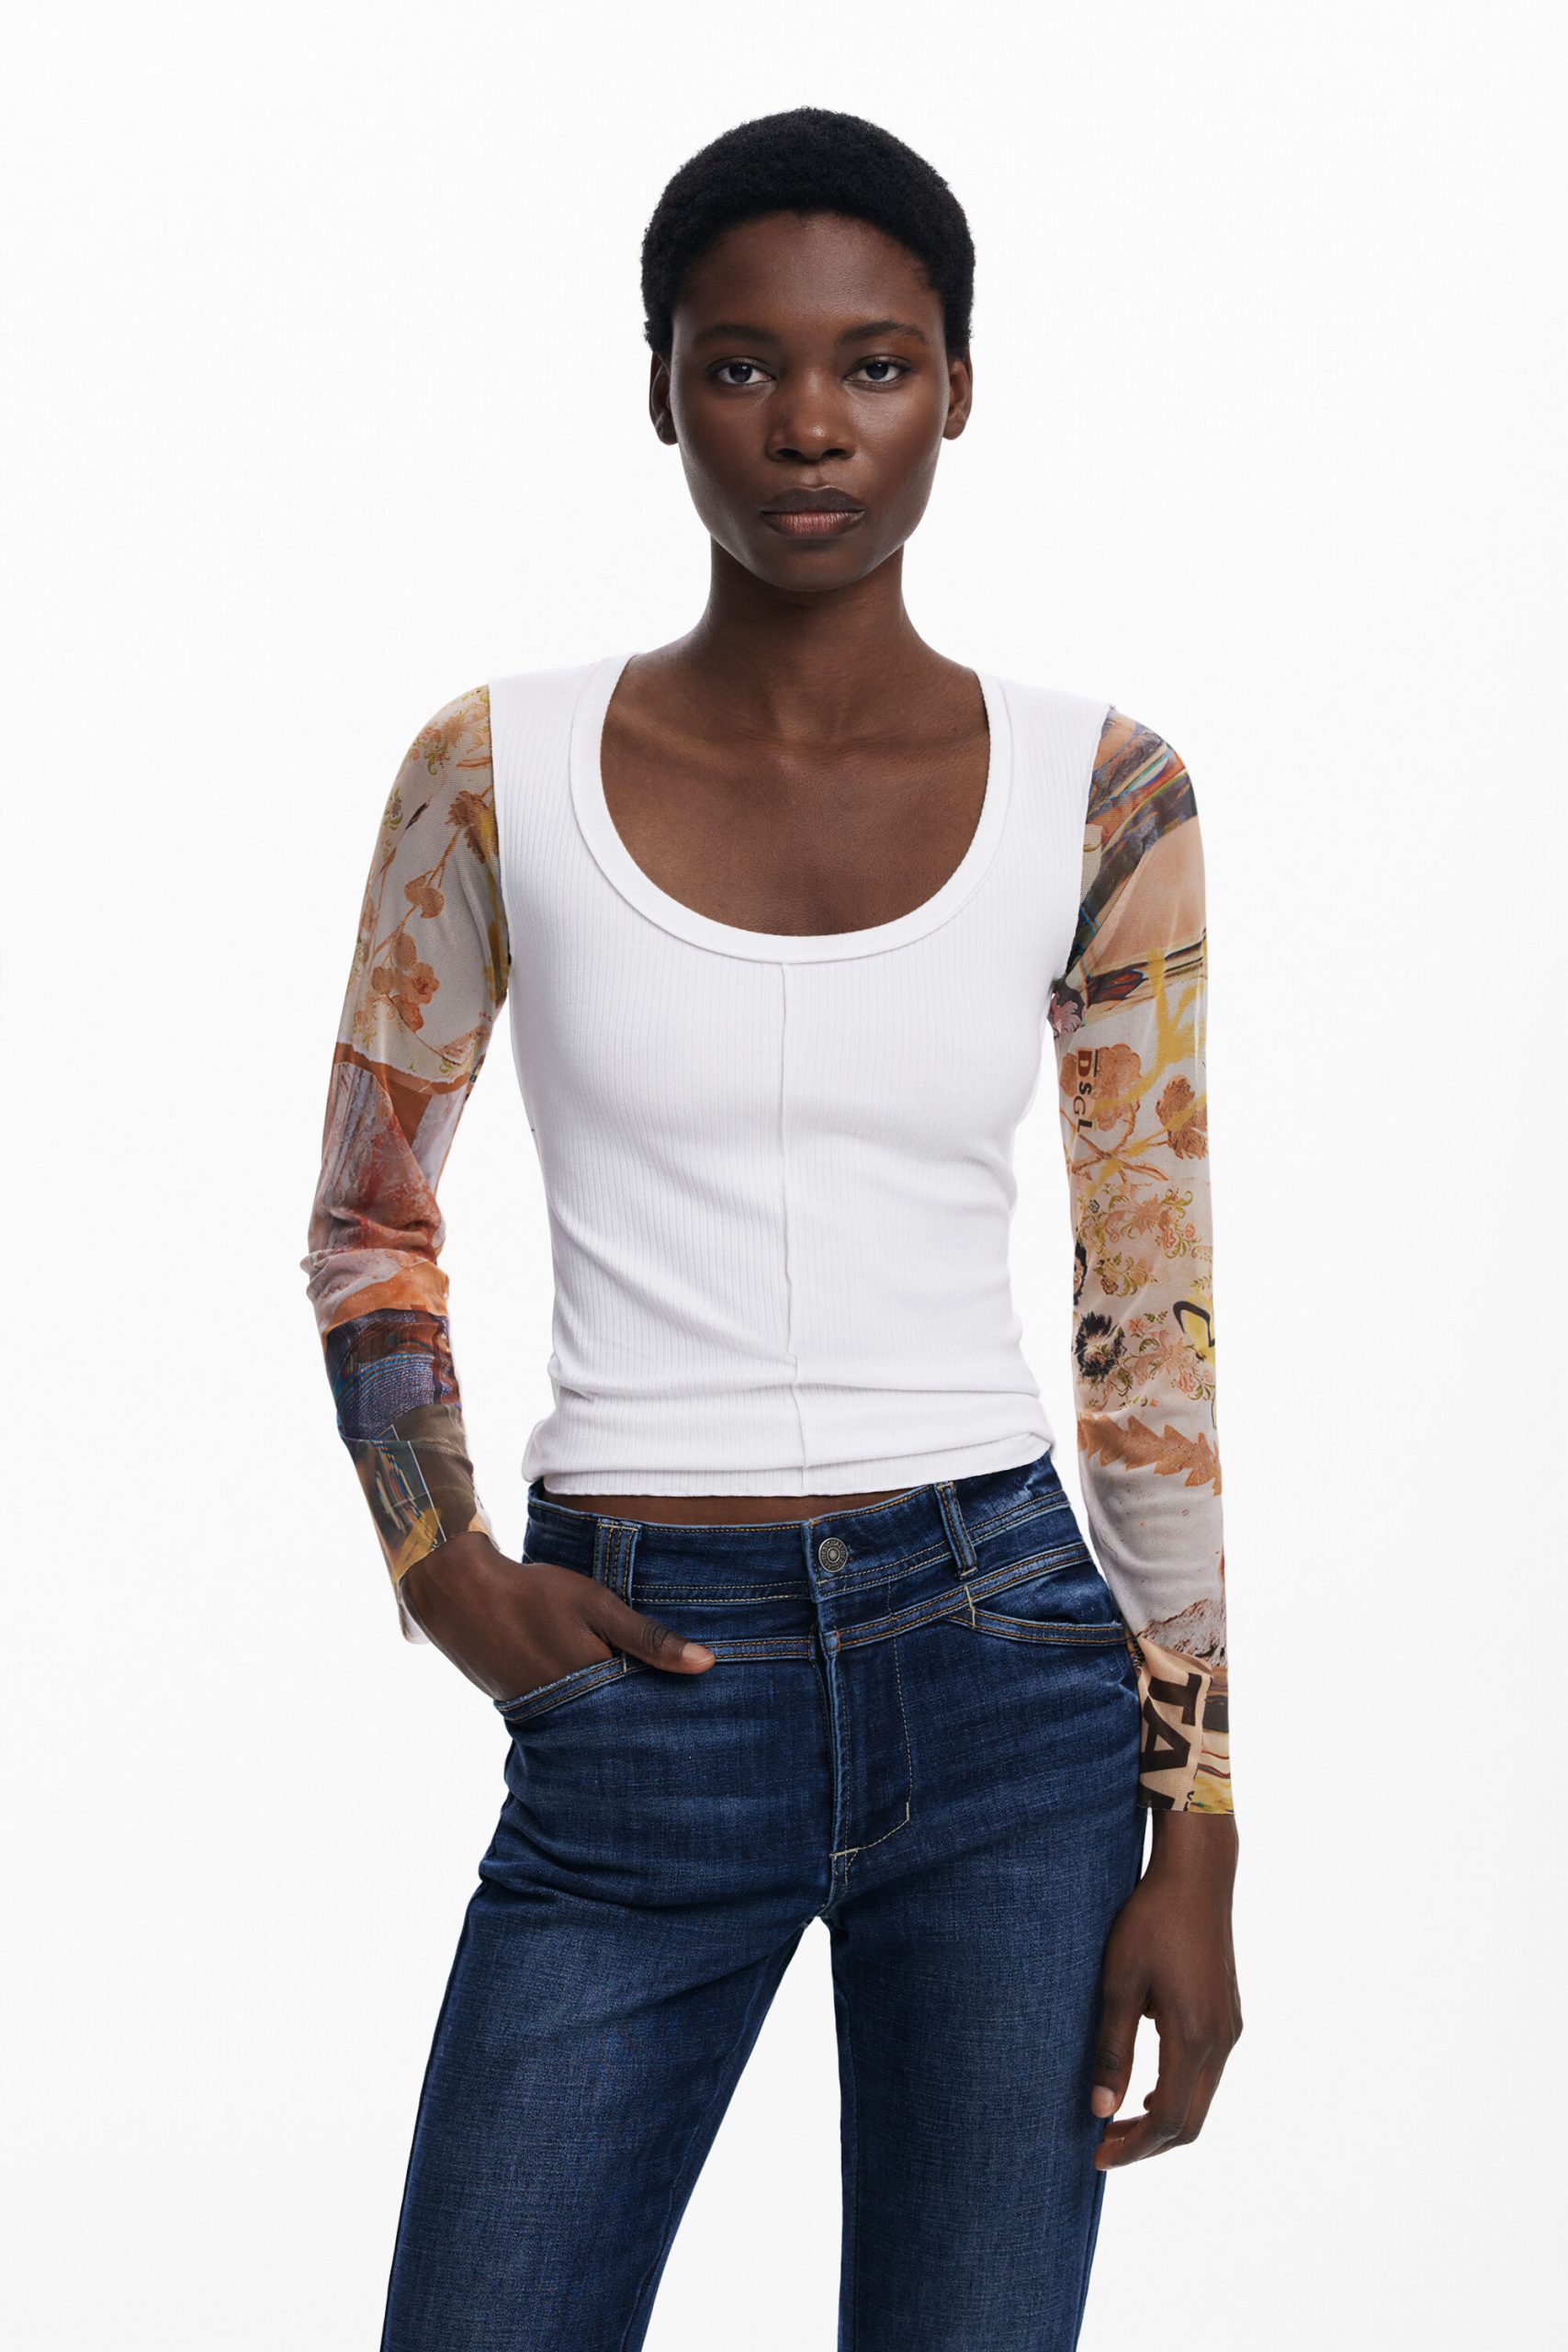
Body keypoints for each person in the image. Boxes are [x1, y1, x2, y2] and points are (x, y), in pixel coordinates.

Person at [302, 105, 1241, 2352]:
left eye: (872, 364)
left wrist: (1194, 1811)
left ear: (955, 387)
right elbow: (368, 1214)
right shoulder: (490, 771)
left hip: (1006, 1670)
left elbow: (1147, 1317)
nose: (809, 424)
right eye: (741, 365)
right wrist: (442, 1565)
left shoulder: (1103, 792)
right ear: (661, 388)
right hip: (642, 1668)